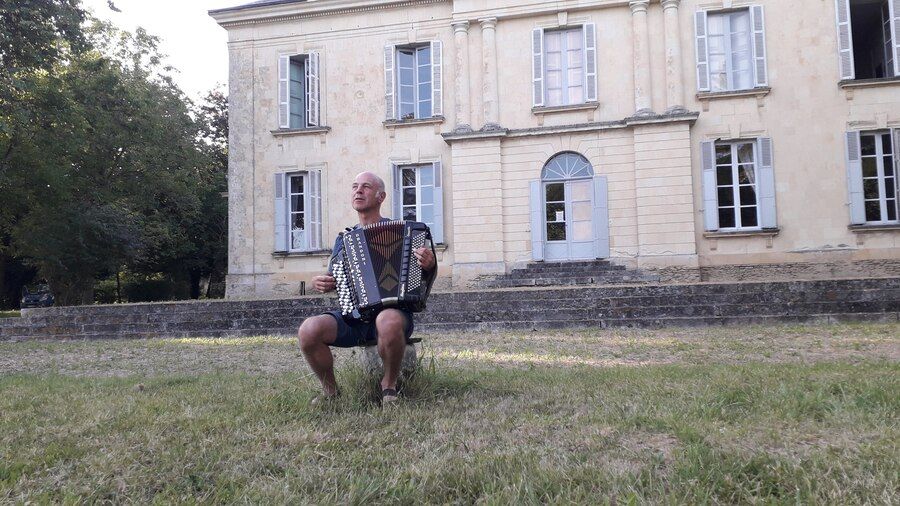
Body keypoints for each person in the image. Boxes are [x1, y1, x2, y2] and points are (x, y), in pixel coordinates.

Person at [298, 171, 436, 406]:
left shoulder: (406, 232)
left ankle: (389, 386)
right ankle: (331, 393)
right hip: (355, 316)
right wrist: (320, 282)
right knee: (309, 330)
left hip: (394, 315)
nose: (358, 191)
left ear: (381, 196)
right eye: (354, 187)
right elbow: (334, 276)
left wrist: (429, 263)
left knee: (387, 321)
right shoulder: (345, 239)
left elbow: (425, 276)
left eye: (366, 187)